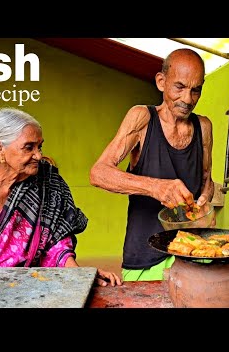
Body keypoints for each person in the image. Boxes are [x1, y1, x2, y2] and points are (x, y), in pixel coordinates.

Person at [0, 107, 122, 287]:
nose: (39, 155)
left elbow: (56, 243)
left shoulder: (46, 182)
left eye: (39, 146)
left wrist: (82, 276)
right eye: (29, 147)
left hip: (32, 286)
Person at [90, 48, 214, 281]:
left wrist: (205, 202)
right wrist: (156, 187)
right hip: (146, 257)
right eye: (179, 87)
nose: (188, 99)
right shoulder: (142, 118)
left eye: (195, 90)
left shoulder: (204, 127)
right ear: (161, 81)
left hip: (191, 251)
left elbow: (207, 180)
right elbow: (98, 173)